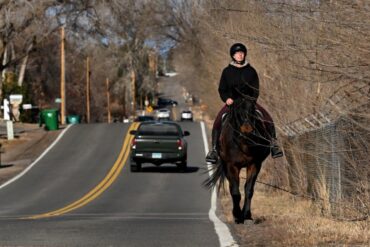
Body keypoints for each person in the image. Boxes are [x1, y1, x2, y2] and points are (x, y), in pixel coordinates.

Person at [205, 43, 283, 163]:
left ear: (244, 54)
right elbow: (222, 89)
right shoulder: (227, 71)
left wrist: (251, 100)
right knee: (218, 120)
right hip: (232, 103)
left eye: (242, 53)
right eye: (237, 53)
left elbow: (256, 89)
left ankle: (274, 144)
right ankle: (214, 150)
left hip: (249, 103)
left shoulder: (251, 71)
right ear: (233, 56)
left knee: (267, 117)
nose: (240, 55)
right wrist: (227, 99)